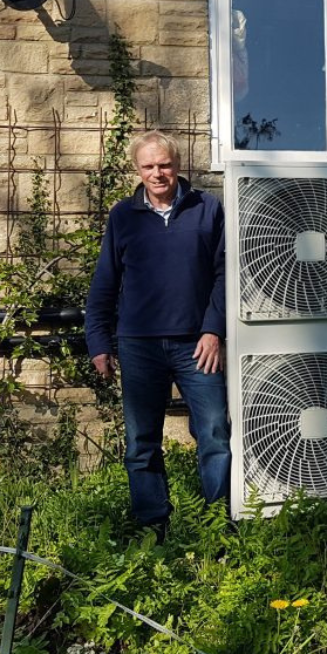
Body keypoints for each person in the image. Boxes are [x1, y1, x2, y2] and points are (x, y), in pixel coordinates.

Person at [85, 130, 231, 541]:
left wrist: (213, 329)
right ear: (137, 170)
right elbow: (104, 284)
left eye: (164, 165)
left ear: (177, 165)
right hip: (139, 346)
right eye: (148, 166)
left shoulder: (207, 209)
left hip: (196, 345)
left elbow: (224, 276)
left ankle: (217, 524)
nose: (157, 173)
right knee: (141, 442)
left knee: (215, 434)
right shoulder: (123, 216)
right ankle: (154, 526)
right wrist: (98, 342)